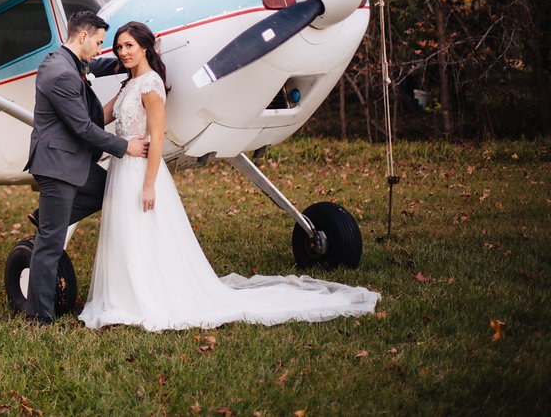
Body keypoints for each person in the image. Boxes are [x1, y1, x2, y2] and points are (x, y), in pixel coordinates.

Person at [78, 21, 380, 331]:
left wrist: (149, 184)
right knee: (124, 233)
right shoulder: (129, 85)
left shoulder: (151, 85)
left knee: (142, 232)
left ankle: (147, 297)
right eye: (119, 47)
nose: (123, 52)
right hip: (120, 168)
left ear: (144, 47)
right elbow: (99, 118)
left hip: (142, 170)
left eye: (129, 45)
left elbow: (157, 137)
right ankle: (124, 296)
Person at [23, 11, 148, 326]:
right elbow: (83, 128)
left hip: (73, 162)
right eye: (99, 42)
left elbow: (94, 66)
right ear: (83, 37)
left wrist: (128, 61)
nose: (100, 49)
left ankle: (47, 216)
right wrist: (125, 147)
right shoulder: (60, 73)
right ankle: (40, 317)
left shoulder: (68, 62)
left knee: (108, 191)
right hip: (58, 164)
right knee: (50, 244)